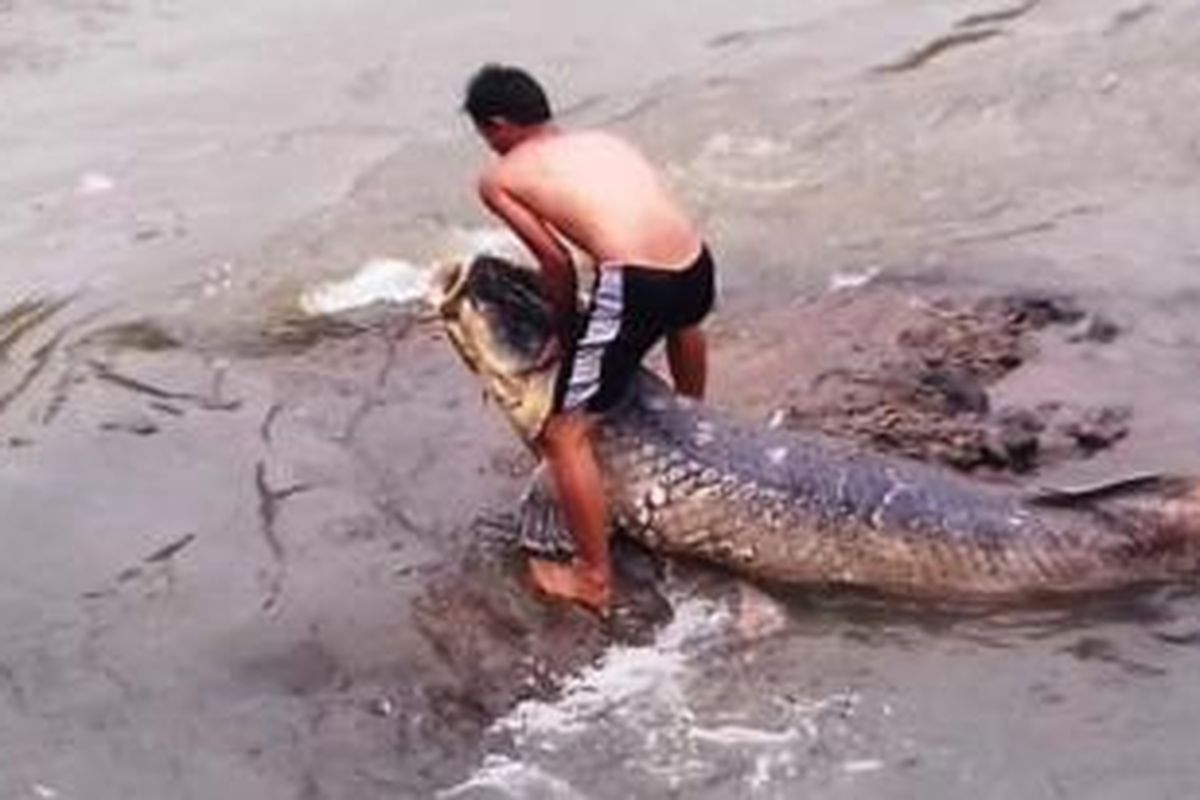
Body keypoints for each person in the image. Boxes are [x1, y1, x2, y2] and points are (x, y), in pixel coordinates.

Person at [463, 64, 715, 614]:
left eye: (487, 135)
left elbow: (554, 263)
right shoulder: (605, 142)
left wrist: (565, 329)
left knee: (565, 435)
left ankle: (594, 579)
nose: (490, 147)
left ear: (500, 125)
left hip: (640, 282)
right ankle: (694, 421)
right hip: (696, 265)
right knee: (683, 324)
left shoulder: (500, 178)